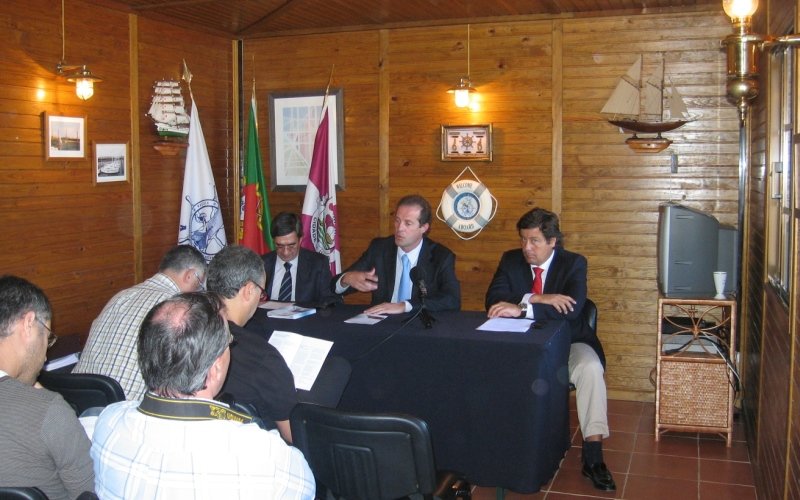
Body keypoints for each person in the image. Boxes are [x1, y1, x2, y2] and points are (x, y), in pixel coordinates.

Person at [90, 292, 315, 499]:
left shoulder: (107, 422)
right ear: (215, 369)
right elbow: (305, 488)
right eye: (229, 342)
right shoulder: (265, 456)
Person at [485, 208, 615, 492]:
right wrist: (538, 299)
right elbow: (494, 300)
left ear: (553, 241)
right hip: (521, 347)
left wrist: (520, 307)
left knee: (590, 369)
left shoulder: (574, 263)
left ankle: (593, 455)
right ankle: (501, 445)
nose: (526, 248)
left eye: (534, 241)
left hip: (569, 342)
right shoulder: (510, 260)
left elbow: (571, 309)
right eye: (523, 240)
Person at [209, 245, 351, 443]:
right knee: (338, 369)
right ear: (248, 291)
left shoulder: (185, 331)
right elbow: (294, 436)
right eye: (261, 292)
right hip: (255, 445)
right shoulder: (262, 357)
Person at [0, 275, 95, 500]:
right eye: (47, 337)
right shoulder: (49, 409)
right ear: (29, 324)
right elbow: (94, 491)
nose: (44, 357)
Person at [73, 245, 207, 400]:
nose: (198, 291)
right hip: (127, 406)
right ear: (189, 276)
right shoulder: (178, 310)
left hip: (76, 398)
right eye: (199, 284)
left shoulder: (121, 296)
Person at [332, 194, 461, 314]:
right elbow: (333, 286)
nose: (399, 228)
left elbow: (453, 300)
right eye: (397, 221)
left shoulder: (441, 256)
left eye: (408, 223)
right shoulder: (379, 249)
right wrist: (345, 279)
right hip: (382, 322)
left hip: (420, 321)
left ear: (424, 228)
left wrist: (405, 306)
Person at [262, 212, 341, 306]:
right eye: (280, 246)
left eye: (291, 245)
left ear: (300, 240)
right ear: (273, 241)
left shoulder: (318, 264)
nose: (286, 252)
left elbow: (331, 300)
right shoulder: (261, 264)